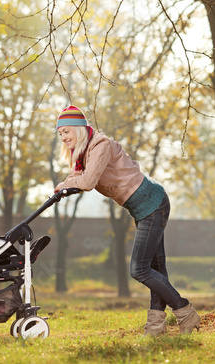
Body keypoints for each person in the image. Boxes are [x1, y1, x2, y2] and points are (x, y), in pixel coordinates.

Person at [55, 105, 200, 336]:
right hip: (143, 208)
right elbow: (77, 176)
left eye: (66, 131)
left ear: (80, 129)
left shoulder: (100, 145)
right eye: (60, 133)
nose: (63, 138)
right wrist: (63, 186)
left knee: (139, 269)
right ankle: (155, 328)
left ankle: (184, 311)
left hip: (153, 203)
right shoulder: (82, 154)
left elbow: (88, 181)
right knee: (156, 269)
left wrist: (66, 185)